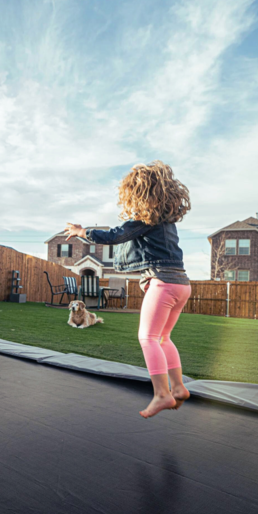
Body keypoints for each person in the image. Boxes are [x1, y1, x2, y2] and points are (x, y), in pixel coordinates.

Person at [65, 160, 192, 418]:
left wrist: (82, 231)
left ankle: (162, 394)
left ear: (139, 195)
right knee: (163, 338)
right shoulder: (167, 222)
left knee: (147, 338)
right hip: (182, 284)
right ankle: (178, 388)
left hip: (163, 283)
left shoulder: (146, 218)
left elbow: (114, 235)